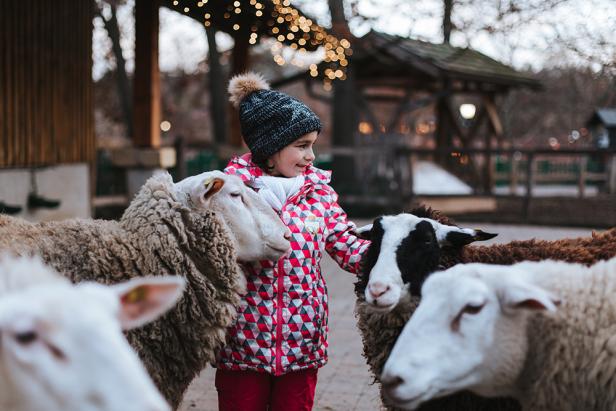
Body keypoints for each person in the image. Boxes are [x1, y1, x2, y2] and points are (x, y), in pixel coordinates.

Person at [215, 72, 370, 411]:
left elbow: (346, 243)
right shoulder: (232, 195)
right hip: (244, 338)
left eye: (312, 144)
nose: (311, 156)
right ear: (269, 150)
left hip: (302, 340)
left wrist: (388, 255)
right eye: (301, 146)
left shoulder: (319, 195)